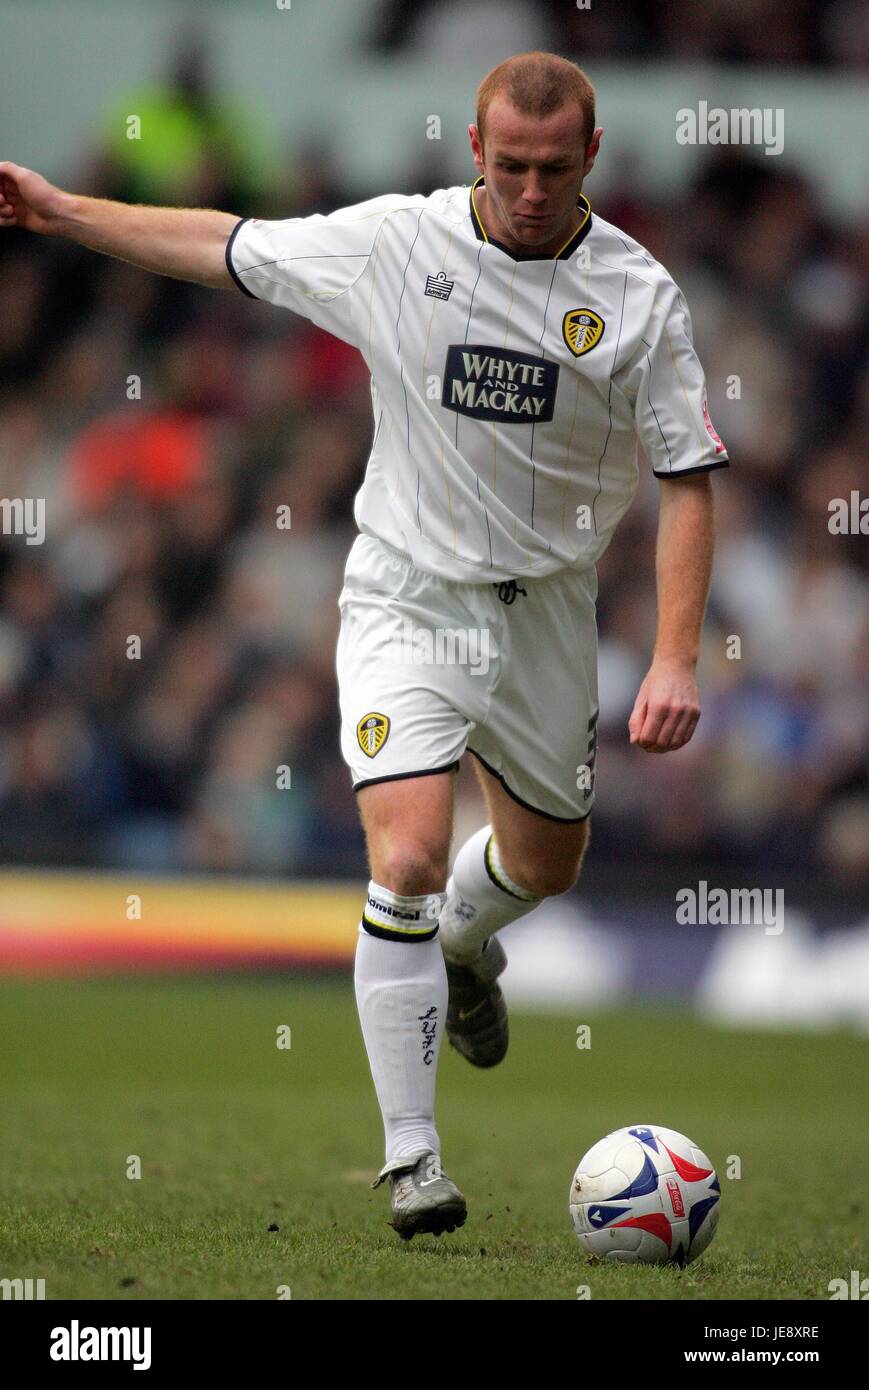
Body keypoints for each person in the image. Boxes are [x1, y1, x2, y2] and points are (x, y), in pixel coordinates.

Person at [0, 50, 728, 1241]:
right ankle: (412, 1161)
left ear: (590, 158)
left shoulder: (639, 299)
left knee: (547, 863)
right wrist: (62, 209)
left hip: (546, 605)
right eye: (508, 166)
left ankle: (458, 944)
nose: (531, 189)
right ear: (472, 152)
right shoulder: (399, 245)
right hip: (405, 594)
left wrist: (674, 655)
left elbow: (689, 478)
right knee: (406, 852)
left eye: (553, 168)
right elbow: (223, 242)